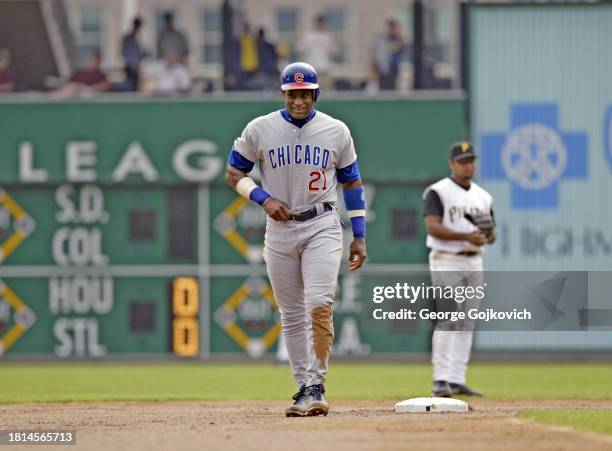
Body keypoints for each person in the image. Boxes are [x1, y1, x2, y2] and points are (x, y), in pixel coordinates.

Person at [225, 62, 367, 417]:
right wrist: (262, 199)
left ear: (315, 94)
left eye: (305, 93)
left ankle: (316, 384)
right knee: (290, 315)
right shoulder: (260, 129)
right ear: (283, 94)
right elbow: (233, 173)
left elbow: (352, 183)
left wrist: (359, 236)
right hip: (280, 229)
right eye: (293, 94)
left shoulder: (336, 130)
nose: (299, 100)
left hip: (321, 223)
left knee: (319, 302)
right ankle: (303, 386)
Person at [422, 141, 496, 398]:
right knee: (449, 318)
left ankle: (456, 378)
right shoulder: (438, 191)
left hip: (474, 259)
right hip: (447, 258)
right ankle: (440, 379)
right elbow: (433, 226)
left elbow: (492, 235)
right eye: (463, 160)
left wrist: (488, 233)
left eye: (471, 160)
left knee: (467, 321)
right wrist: (466, 237)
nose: (468, 165)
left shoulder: (483, 196)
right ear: (452, 163)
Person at [297, 15, 336, 91]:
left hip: (325, 68)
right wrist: (298, 39)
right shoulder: (307, 35)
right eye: (318, 22)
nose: (319, 24)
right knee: (310, 92)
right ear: (314, 23)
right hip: (311, 68)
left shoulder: (327, 36)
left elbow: (334, 51)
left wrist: (335, 41)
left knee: (327, 91)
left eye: (321, 22)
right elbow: (300, 49)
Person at [371, 19, 406, 90]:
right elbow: (377, 53)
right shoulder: (382, 40)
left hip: (393, 70)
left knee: (392, 88)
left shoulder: (397, 39)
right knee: (383, 89)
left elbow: (400, 47)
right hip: (383, 70)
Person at [121, 16, 146, 91]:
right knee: (131, 88)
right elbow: (126, 53)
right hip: (131, 67)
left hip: (135, 67)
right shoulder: (129, 38)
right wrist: (134, 65)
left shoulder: (135, 38)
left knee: (135, 87)